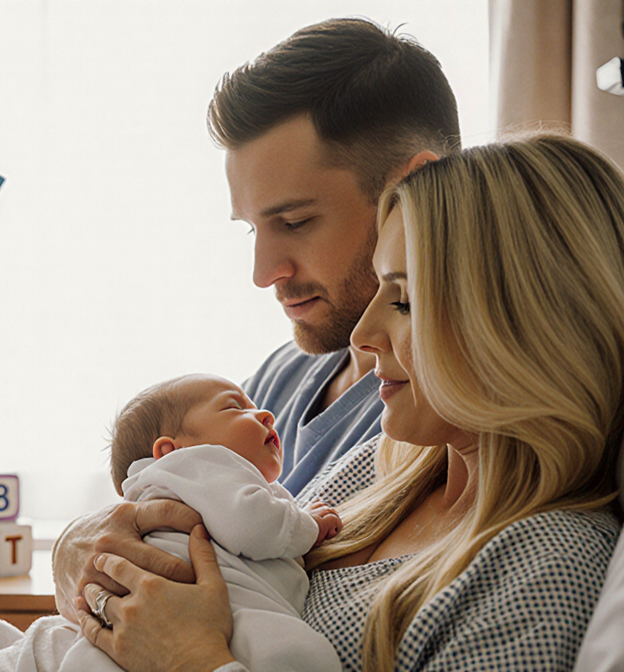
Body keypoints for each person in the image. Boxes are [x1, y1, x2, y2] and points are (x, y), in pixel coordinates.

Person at [75, 134, 624, 671]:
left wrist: (189, 659)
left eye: (403, 301)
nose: (362, 335)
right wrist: (89, 558)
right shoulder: (384, 466)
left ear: (520, 324)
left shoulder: (545, 571)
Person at [52, 16, 462, 625]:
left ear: (415, 189)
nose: (264, 272)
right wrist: (75, 546)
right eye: (252, 230)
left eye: (295, 222)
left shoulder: (433, 415)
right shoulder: (280, 379)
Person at [58, 373, 342, 671]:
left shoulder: (176, 485)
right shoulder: (199, 464)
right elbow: (251, 527)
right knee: (310, 658)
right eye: (235, 407)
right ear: (171, 451)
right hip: (231, 612)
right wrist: (309, 525)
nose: (266, 415)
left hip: (141, 626)